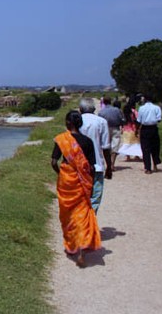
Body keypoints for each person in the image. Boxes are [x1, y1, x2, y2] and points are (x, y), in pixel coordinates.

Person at [51, 110, 101, 267]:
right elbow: (91, 166)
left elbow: (53, 162)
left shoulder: (61, 140)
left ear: (67, 123)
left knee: (68, 214)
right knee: (83, 212)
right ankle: (82, 247)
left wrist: (62, 174)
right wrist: (89, 182)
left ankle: (72, 245)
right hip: (82, 181)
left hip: (67, 180)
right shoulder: (87, 141)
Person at [136, 94, 162, 174]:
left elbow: (139, 120)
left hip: (145, 128)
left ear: (145, 99)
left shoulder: (141, 108)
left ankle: (148, 168)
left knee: (145, 148)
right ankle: (155, 165)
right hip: (153, 128)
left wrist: (137, 129)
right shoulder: (157, 108)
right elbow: (159, 119)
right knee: (155, 147)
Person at [99, 96, 125, 173]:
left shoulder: (101, 112)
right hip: (115, 128)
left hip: (105, 129)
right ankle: (112, 164)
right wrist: (122, 125)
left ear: (103, 102)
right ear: (111, 102)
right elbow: (122, 119)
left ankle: (108, 163)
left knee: (106, 146)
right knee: (115, 146)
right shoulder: (117, 110)